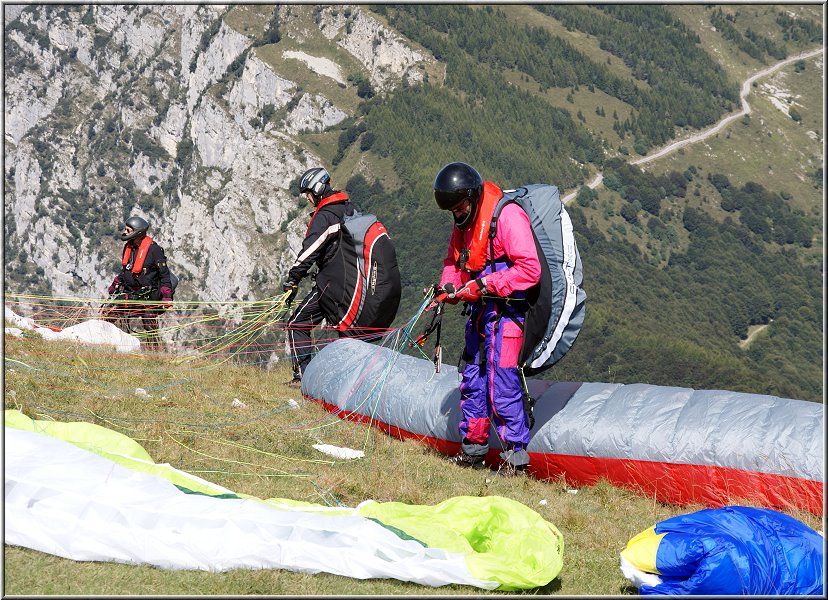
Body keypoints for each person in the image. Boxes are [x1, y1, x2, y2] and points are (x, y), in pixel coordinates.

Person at [433, 162, 541, 474]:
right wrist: (448, 288)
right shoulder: (463, 223)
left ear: (474, 197)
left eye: (460, 206)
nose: (457, 213)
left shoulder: (507, 217)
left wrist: (487, 284)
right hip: (481, 313)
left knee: (502, 383)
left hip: (509, 314)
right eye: (452, 209)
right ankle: (473, 453)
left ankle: (515, 459)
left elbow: (529, 269)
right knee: (473, 381)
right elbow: (454, 263)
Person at [282, 166, 354, 387]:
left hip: (332, 283)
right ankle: (349, 381)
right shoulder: (348, 209)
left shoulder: (325, 215)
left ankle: (305, 378)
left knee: (297, 324)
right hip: (354, 283)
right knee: (347, 332)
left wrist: (292, 278)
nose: (308, 199)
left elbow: (309, 251)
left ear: (317, 188)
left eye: (308, 193)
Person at [104, 216, 173, 351]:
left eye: (128, 230)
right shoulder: (128, 248)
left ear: (137, 232)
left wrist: (166, 297)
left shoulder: (154, 250)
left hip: (149, 296)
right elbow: (127, 270)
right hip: (132, 293)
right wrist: (116, 284)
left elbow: (164, 275)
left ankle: (155, 353)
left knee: (148, 322)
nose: (124, 232)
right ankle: (105, 345)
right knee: (109, 314)